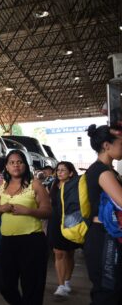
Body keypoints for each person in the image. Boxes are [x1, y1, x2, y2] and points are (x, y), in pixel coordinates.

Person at [0, 150, 51, 305]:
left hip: (32, 241)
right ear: (6, 166)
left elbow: (48, 211)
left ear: (25, 165)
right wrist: (2, 208)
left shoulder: (35, 184)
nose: (16, 165)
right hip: (8, 242)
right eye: (12, 162)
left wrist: (29, 211)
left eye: (20, 162)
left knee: (32, 286)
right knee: (5, 284)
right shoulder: (2, 186)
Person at [84, 124, 122, 304]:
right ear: (107, 145)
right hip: (104, 236)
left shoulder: (106, 170)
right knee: (108, 290)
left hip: (105, 234)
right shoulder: (101, 171)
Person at [47, 161, 81, 298]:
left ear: (71, 173)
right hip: (55, 221)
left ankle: (67, 281)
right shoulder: (53, 185)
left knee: (69, 253)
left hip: (70, 221)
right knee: (58, 252)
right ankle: (61, 285)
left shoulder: (75, 186)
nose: (59, 172)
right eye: (58, 170)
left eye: (63, 170)